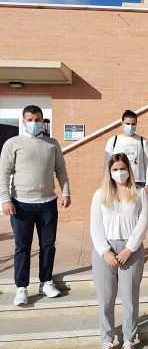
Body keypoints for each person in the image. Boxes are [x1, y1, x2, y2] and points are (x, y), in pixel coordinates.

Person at [0, 105, 71, 306]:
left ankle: (46, 282)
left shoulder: (52, 144)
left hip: (47, 203)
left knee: (47, 245)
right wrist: (5, 199)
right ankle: (21, 287)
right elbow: (3, 173)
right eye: (30, 119)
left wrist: (66, 192)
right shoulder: (12, 143)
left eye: (37, 119)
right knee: (22, 246)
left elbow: (61, 170)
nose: (34, 123)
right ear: (24, 122)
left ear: (43, 120)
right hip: (20, 204)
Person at [90, 153, 148, 349]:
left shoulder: (140, 193)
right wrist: (105, 251)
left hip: (130, 251)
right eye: (115, 169)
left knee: (130, 298)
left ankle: (129, 339)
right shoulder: (100, 194)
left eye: (122, 168)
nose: (119, 172)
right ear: (109, 171)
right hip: (105, 250)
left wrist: (129, 249)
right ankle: (107, 339)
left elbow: (143, 223)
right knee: (106, 299)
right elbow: (95, 225)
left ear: (129, 170)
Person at [104, 110, 148, 193]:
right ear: (122, 123)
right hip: (118, 181)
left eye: (133, 124)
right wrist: (106, 183)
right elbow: (107, 163)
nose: (130, 126)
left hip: (138, 182)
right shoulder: (113, 141)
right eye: (127, 123)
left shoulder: (143, 141)